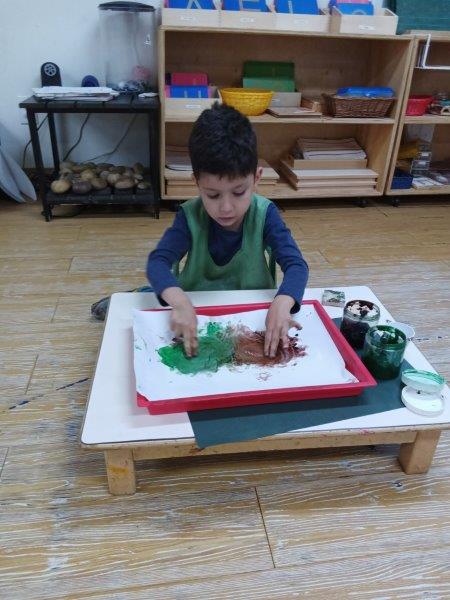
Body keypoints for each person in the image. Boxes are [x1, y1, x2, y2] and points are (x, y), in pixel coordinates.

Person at [147, 102, 309, 359]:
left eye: (239, 192)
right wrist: (178, 301)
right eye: (212, 195)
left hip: (251, 313)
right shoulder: (189, 216)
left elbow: (297, 265)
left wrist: (283, 301)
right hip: (198, 313)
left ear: (256, 178)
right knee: (149, 295)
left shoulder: (265, 215)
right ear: (196, 183)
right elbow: (157, 262)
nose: (226, 207)